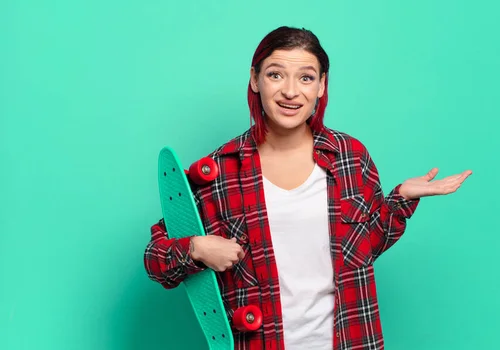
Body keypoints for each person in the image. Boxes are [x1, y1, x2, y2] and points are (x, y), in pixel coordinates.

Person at [144, 26, 472, 350]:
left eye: (305, 77)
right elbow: (156, 260)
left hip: (350, 341)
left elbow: (365, 247)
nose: (291, 91)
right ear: (255, 79)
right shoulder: (220, 169)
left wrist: (401, 199)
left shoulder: (349, 156)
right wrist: (198, 249)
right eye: (275, 75)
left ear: (321, 85)